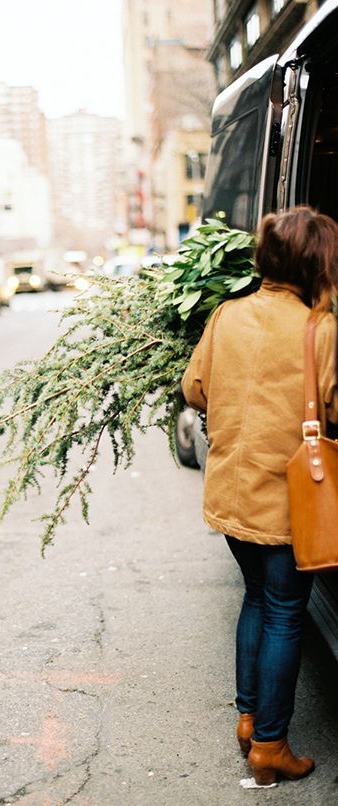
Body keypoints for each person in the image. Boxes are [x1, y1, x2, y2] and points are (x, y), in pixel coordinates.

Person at [181, 206, 338, 786]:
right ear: (315, 263)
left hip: (231, 492)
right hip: (288, 499)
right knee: (286, 613)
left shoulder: (226, 314)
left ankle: (249, 720)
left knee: (256, 599)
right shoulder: (320, 329)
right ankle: (271, 746)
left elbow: (194, 389)